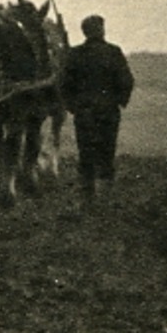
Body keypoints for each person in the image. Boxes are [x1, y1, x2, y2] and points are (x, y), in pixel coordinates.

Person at [59, 14, 135, 208]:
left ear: (85, 32)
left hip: (84, 112)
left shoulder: (74, 54)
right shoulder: (113, 52)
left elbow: (64, 85)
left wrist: (73, 107)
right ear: (101, 30)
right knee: (107, 151)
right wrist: (119, 101)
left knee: (85, 152)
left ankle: (88, 198)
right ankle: (105, 198)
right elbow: (126, 81)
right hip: (108, 111)